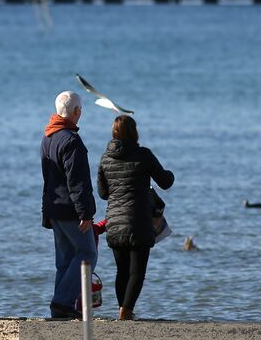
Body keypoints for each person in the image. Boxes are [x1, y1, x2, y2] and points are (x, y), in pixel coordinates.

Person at [98, 114, 174, 321]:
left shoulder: (105, 158)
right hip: (138, 222)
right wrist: (170, 174)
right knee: (136, 272)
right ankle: (126, 311)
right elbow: (165, 182)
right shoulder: (144, 155)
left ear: (114, 133)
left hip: (114, 222)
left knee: (121, 271)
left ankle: (123, 310)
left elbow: (103, 193)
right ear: (134, 132)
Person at [42, 90, 97, 319]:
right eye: (80, 110)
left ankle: (60, 307)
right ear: (76, 111)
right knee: (87, 254)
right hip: (70, 208)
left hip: (54, 207)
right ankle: (63, 302)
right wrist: (85, 211)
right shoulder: (71, 140)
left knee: (64, 259)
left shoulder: (48, 137)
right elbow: (77, 180)